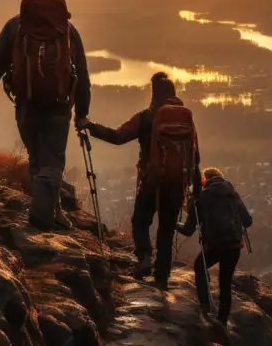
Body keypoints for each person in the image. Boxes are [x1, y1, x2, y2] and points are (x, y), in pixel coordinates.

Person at [0, 0, 90, 231]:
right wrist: (83, 113)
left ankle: (52, 212)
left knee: (38, 161)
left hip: (26, 107)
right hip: (58, 108)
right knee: (52, 164)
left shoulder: (15, 27)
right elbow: (82, 77)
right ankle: (41, 218)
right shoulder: (68, 31)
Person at [79, 72, 200, 290]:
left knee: (140, 221)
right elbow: (195, 157)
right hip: (176, 184)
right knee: (166, 229)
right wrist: (192, 187)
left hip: (151, 182)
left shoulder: (147, 117)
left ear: (154, 93)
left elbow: (118, 136)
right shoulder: (186, 119)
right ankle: (162, 278)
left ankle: (144, 258)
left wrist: (90, 126)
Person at [177, 166, 252, 325]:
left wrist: (172, 224)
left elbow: (188, 230)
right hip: (234, 244)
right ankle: (222, 321)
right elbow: (248, 221)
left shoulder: (201, 198)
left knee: (199, 267)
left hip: (215, 244)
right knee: (225, 282)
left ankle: (205, 307)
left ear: (205, 180)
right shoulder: (232, 193)